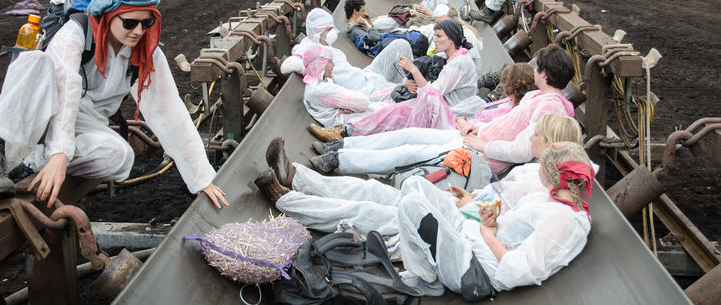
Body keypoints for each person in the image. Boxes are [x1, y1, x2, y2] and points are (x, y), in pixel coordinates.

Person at [0, 0, 228, 208]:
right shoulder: (75, 34)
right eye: (129, 22)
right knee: (35, 62)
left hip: (84, 124)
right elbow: (66, 94)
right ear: (108, 15)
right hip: (43, 111)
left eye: (146, 23)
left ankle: (30, 162)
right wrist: (59, 153)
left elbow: (169, 111)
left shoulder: (146, 53)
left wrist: (201, 178)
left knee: (120, 156)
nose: (138, 31)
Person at [254, 121, 594, 299]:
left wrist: (487, 231)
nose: (530, 137)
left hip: (472, 264)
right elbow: (503, 212)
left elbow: (515, 270)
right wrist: (473, 204)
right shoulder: (554, 196)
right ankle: (299, 179)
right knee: (405, 189)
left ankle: (288, 200)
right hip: (467, 226)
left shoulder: (562, 218)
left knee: (378, 209)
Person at [307, 44, 575, 176]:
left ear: (544, 73)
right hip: (472, 140)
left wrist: (480, 142)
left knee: (410, 151)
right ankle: (342, 148)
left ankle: (339, 162)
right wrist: (477, 128)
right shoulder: (539, 97)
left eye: (538, 67)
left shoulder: (549, 108)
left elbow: (521, 150)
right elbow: (510, 128)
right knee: (408, 135)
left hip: (477, 156)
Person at [310, 19, 477, 138]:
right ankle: (351, 112)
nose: (435, 40)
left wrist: (413, 70)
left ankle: (345, 130)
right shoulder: (447, 55)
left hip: (445, 113)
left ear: (452, 38)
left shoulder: (460, 63)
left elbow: (434, 93)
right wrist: (407, 80)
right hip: (430, 103)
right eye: (435, 35)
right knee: (390, 96)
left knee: (393, 109)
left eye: (439, 36)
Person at [297, 8, 410, 97]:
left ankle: (404, 84)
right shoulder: (310, 50)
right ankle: (404, 93)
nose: (333, 33)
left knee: (401, 44)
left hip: (366, 76)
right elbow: (291, 63)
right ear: (317, 32)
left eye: (333, 28)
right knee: (406, 92)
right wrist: (301, 65)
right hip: (365, 91)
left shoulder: (323, 42)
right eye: (329, 29)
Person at [280, 43, 387, 128]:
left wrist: (347, 105)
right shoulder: (321, 89)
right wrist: (350, 104)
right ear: (321, 64)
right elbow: (363, 102)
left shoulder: (317, 83)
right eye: (330, 62)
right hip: (350, 123)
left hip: (350, 116)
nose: (333, 65)